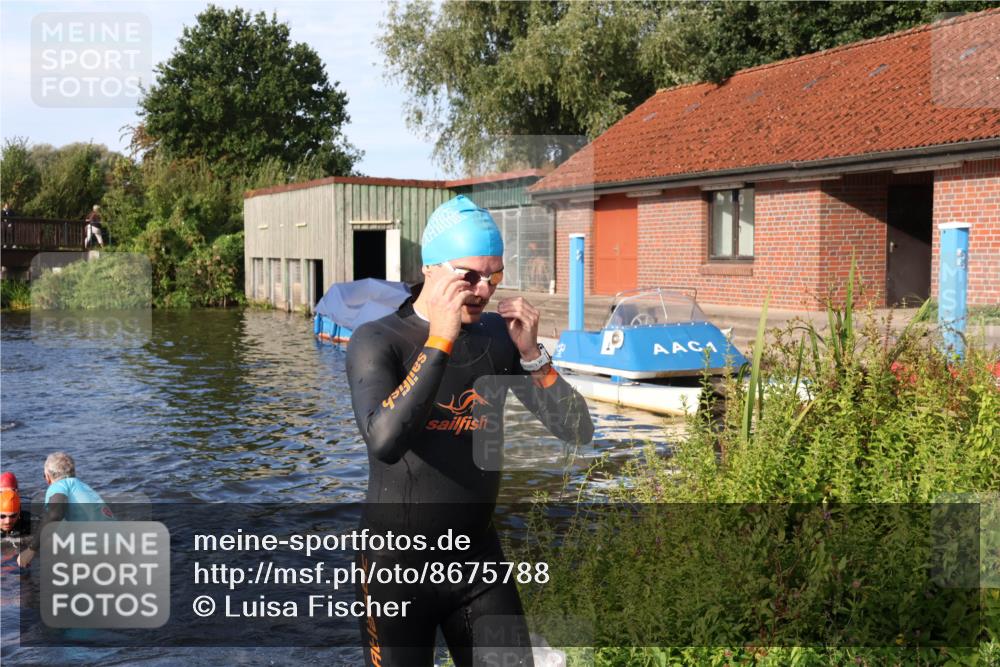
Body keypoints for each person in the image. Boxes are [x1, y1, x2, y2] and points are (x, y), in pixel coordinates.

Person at [347, 194, 594, 667]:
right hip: (394, 571)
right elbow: (384, 441)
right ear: (433, 269)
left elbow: (577, 430)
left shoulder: (498, 338)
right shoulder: (378, 340)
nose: (483, 290)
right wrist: (440, 338)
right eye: (471, 276)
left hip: (477, 565)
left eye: (494, 276)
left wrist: (532, 356)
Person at [16, 452, 113, 568]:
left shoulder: (58, 486)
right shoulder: (84, 488)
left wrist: (31, 550)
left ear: (47, 477)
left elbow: (54, 515)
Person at [1, 487, 31, 552]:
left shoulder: (29, 522)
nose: (7, 521)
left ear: (19, 513)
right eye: (2, 516)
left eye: (13, 516)